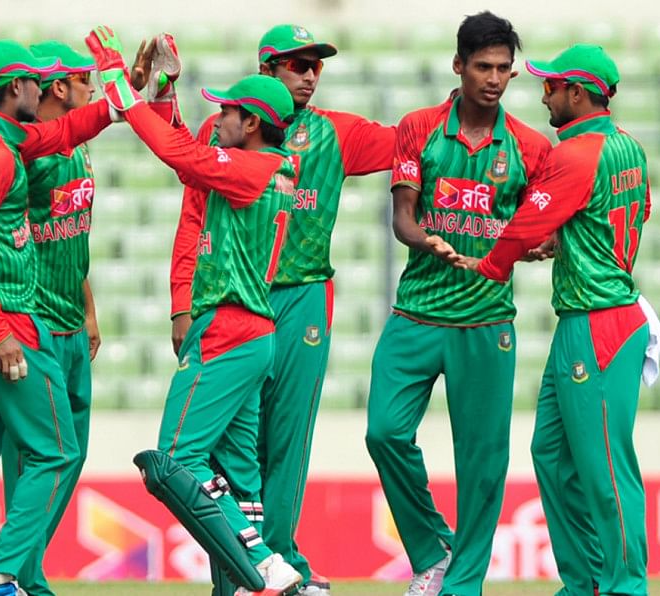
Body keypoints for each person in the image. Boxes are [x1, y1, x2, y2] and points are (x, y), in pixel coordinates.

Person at [166, 23, 395, 596]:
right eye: (297, 64)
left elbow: (415, 143)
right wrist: (180, 302)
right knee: (230, 443)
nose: (310, 75)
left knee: (288, 436)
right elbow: (194, 215)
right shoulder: (221, 130)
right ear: (266, 69)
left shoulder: (336, 132)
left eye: (316, 65)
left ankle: (284, 559)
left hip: (302, 295)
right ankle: (240, 572)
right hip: (234, 298)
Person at [83, 26, 303, 595]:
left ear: (251, 123)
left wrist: (115, 76)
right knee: (238, 479)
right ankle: (251, 576)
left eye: (227, 112)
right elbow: (191, 160)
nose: (219, 119)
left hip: (227, 329)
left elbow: (177, 152)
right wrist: (163, 91)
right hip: (251, 333)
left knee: (175, 461)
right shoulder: (265, 167)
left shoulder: (252, 169)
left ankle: (264, 564)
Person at [451, 43, 651, 596]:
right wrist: (568, 241)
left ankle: (625, 586)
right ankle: (586, 582)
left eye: (551, 86)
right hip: (589, 319)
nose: (543, 96)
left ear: (577, 93)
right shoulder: (627, 146)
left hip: (599, 323)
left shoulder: (576, 154)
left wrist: (489, 265)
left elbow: (520, 227)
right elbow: (625, 213)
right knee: (553, 454)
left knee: (606, 468)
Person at [364, 12, 551, 596]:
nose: (493, 79)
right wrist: (427, 240)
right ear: (458, 66)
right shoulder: (419, 128)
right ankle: (433, 551)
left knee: (482, 462)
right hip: (416, 312)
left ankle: (462, 585)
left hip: (486, 320)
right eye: (482, 67)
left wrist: (538, 246)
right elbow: (402, 217)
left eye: (503, 69)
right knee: (384, 433)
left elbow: (544, 229)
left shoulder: (531, 147)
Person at [0, 38, 114, 596]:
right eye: (34, 80)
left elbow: (61, 133)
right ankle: (0, 574)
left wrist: (125, 97)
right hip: (3, 316)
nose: (41, 87)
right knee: (57, 450)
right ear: (17, 87)